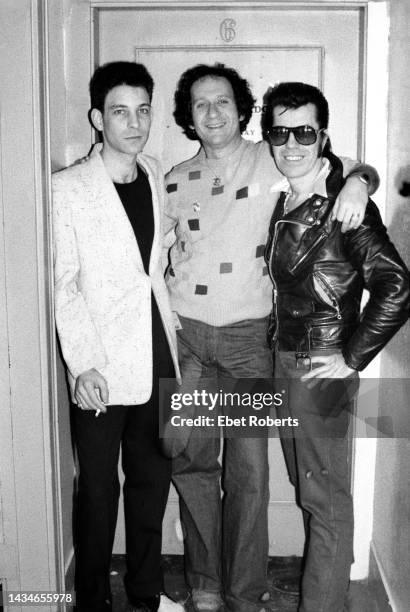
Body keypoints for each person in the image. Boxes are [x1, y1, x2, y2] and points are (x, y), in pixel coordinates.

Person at [164, 63, 379, 612]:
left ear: (241, 111)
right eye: (199, 103)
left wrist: (360, 180)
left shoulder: (273, 154)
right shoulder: (171, 178)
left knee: (249, 473)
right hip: (186, 338)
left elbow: (348, 166)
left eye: (222, 102)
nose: (212, 112)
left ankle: (243, 590)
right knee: (190, 463)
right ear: (188, 116)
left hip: (247, 342)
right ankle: (205, 583)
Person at [264, 81, 409, 612]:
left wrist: (351, 359)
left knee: (325, 501)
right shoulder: (288, 195)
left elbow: (398, 286)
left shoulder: (345, 208)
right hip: (285, 361)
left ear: (322, 136)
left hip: (317, 368)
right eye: (281, 131)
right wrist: (358, 176)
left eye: (305, 130)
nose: (292, 143)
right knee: (313, 493)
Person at [52, 61, 184, 612]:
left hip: (158, 356)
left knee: (152, 487)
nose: (134, 122)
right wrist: (82, 364)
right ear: (97, 118)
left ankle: (146, 594)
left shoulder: (154, 173)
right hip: (102, 367)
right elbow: (64, 285)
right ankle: (92, 602)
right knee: (100, 493)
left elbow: (148, 267)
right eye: (120, 111)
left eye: (143, 110)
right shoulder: (68, 189)